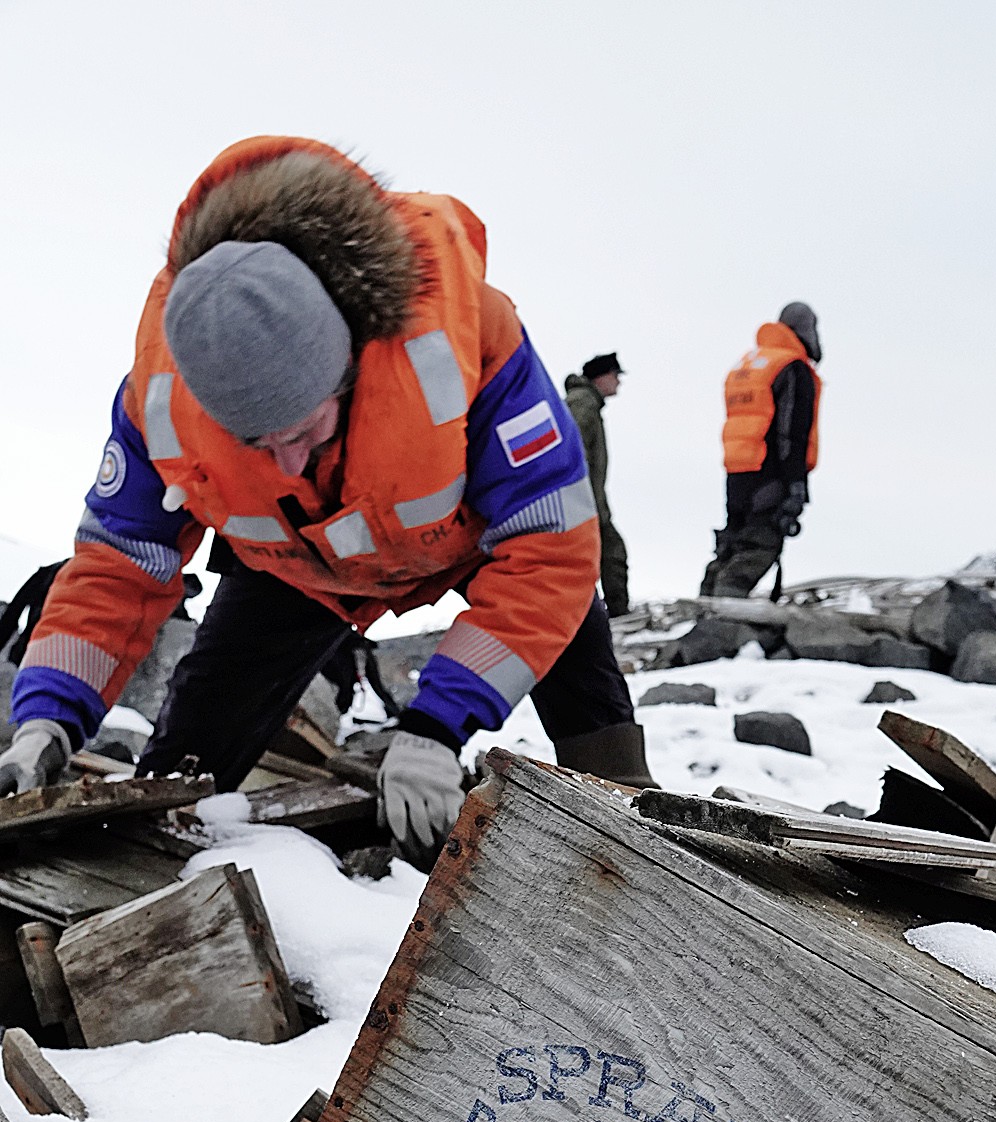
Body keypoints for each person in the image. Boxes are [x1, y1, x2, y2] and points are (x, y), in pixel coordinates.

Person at [0, 136, 655, 856]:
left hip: (466, 540)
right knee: (181, 775)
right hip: (293, 567)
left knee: (577, 657)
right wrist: (46, 717)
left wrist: (437, 726)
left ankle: (634, 843)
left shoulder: (467, 340)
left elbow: (550, 550)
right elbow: (118, 565)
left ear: (350, 360)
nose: (286, 459)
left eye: (304, 430)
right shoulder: (159, 403)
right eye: (256, 442)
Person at [701, 303, 822, 600]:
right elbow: (791, 433)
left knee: (732, 546)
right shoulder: (792, 368)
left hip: (738, 472)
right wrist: (795, 484)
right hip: (771, 472)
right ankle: (723, 615)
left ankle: (703, 608)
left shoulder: (750, 364)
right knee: (760, 547)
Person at [563, 354, 630, 617]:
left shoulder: (585, 402)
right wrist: (584, 500)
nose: (618, 382)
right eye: (615, 376)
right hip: (582, 504)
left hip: (586, 503)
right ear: (601, 377)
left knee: (601, 556)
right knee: (608, 555)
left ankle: (604, 615)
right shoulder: (582, 403)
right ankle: (615, 615)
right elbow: (573, 452)